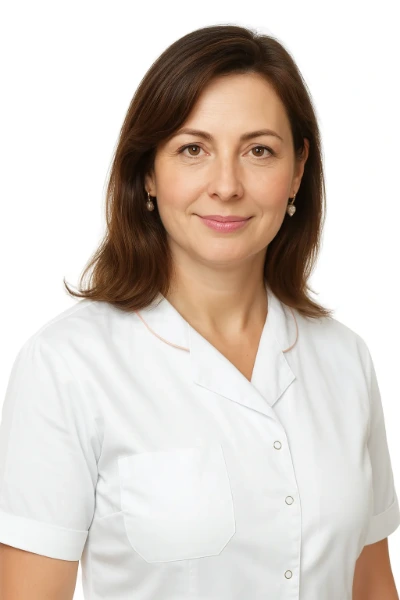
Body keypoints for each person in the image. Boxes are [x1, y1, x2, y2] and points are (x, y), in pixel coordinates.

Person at [0, 24, 399, 600]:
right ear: (148, 172)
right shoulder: (67, 366)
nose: (227, 185)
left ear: (297, 170)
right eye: (193, 149)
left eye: (259, 151)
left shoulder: (345, 360)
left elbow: (372, 585)